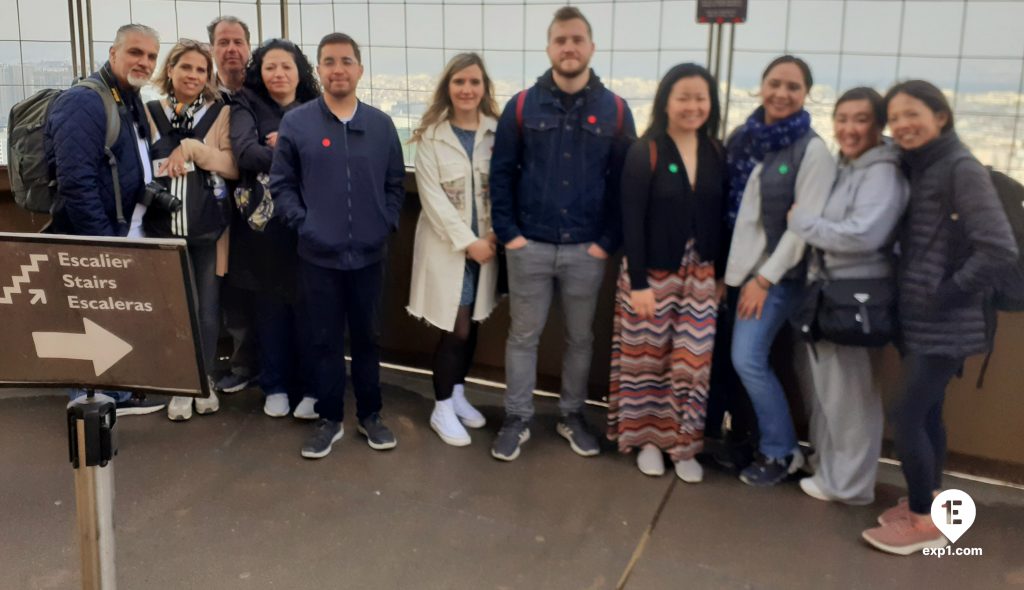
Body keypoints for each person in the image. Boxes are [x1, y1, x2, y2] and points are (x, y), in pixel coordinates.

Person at [861, 80, 1017, 555]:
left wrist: (946, 293)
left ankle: (925, 522)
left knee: (906, 415)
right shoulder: (925, 166)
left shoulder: (959, 168)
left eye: (914, 114)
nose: (903, 125)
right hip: (921, 320)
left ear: (941, 116)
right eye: (896, 118)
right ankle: (923, 500)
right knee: (927, 413)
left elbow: (998, 247)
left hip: (947, 324)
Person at [489, 6, 635, 461]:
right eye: (560, 40)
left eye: (577, 39)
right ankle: (517, 418)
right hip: (528, 244)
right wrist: (510, 234)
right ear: (549, 47)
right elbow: (501, 175)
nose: (568, 47)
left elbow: (624, 183)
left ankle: (572, 416)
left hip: (585, 249)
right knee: (522, 337)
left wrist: (605, 243)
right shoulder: (521, 105)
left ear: (591, 47)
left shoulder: (615, 109)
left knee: (580, 338)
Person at [270, 33, 405, 459]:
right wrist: (304, 225)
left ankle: (370, 415)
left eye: (346, 60)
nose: (338, 68)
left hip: (369, 255)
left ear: (360, 69)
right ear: (320, 70)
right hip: (318, 255)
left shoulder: (381, 125)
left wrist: (385, 222)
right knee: (324, 340)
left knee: (368, 338)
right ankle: (330, 419)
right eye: (329, 61)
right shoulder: (298, 123)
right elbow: (282, 184)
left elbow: (395, 183)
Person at [787, 87, 909, 504]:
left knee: (850, 395)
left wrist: (803, 223)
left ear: (878, 125)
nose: (849, 128)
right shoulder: (849, 165)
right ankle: (829, 467)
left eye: (861, 119)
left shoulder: (882, 172)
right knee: (829, 390)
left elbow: (864, 233)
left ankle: (851, 486)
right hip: (832, 291)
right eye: (842, 119)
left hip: (856, 296)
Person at [608, 63, 728, 483]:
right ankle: (647, 441)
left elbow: (721, 218)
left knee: (693, 366)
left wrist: (720, 278)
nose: (693, 105)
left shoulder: (716, 151)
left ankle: (685, 445)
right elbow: (631, 220)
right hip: (652, 275)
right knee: (647, 362)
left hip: (701, 276)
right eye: (684, 97)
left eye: (701, 97)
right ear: (666, 102)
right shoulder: (647, 151)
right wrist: (638, 283)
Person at [723, 55, 836, 486]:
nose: (782, 94)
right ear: (760, 87)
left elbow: (800, 231)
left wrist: (763, 279)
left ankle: (781, 451)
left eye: (793, 87)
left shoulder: (813, 152)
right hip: (735, 273)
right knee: (742, 362)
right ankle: (749, 442)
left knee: (747, 359)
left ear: (806, 94)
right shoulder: (743, 139)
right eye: (775, 83)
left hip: (774, 278)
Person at [44, 23, 165, 416]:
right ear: (113, 54)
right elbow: (75, 182)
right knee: (90, 317)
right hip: (97, 238)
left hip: (123, 232)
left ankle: (117, 394)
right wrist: (101, 243)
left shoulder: (129, 99)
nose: (143, 62)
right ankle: (91, 407)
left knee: (111, 316)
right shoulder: (84, 101)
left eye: (150, 56)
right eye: (134, 52)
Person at [142, 39, 238, 420]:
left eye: (201, 70)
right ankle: (181, 382)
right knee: (174, 308)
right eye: (186, 67)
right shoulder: (149, 112)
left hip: (208, 228)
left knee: (206, 306)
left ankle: (204, 379)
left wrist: (194, 149)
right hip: (161, 228)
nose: (194, 76)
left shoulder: (221, 114)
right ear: (170, 70)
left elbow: (232, 165)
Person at [407, 53, 500, 447]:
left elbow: (506, 186)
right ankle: (441, 405)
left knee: (475, 320)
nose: (467, 89)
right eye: (459, 82)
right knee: (455, 327)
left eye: (474, 82)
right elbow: (432, 199)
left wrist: (493, 236)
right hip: (450, 249)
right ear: (448, 87)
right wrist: (470, 242)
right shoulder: (430, 135)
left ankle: (458, 392)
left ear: (484, 89)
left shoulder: (498, 133)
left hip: (488, 247)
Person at [229, 39, 321, 419]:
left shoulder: (318, 106)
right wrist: (293, 150)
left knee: (311, 307)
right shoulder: (245, 103)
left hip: (308, 223)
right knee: (269, 308)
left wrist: (282, 146)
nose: (278, 74)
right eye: (270, 67)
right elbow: (244, 152)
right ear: (259, 72)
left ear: (300, 71)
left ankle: (312, 388)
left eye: (286, 66)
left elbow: (327, 154)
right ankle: (275, 385)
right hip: (263, 227)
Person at [208, 15, 260, 394]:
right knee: (222, 289)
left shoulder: (262, 92)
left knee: (253, 285)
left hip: (261, 210)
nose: (231, 49)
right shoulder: (202, 94)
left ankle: (251, 363)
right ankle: (233, 361)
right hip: (214, 209)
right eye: (223, 42)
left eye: (237, 41)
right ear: (212, 49)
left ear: (248, 47)